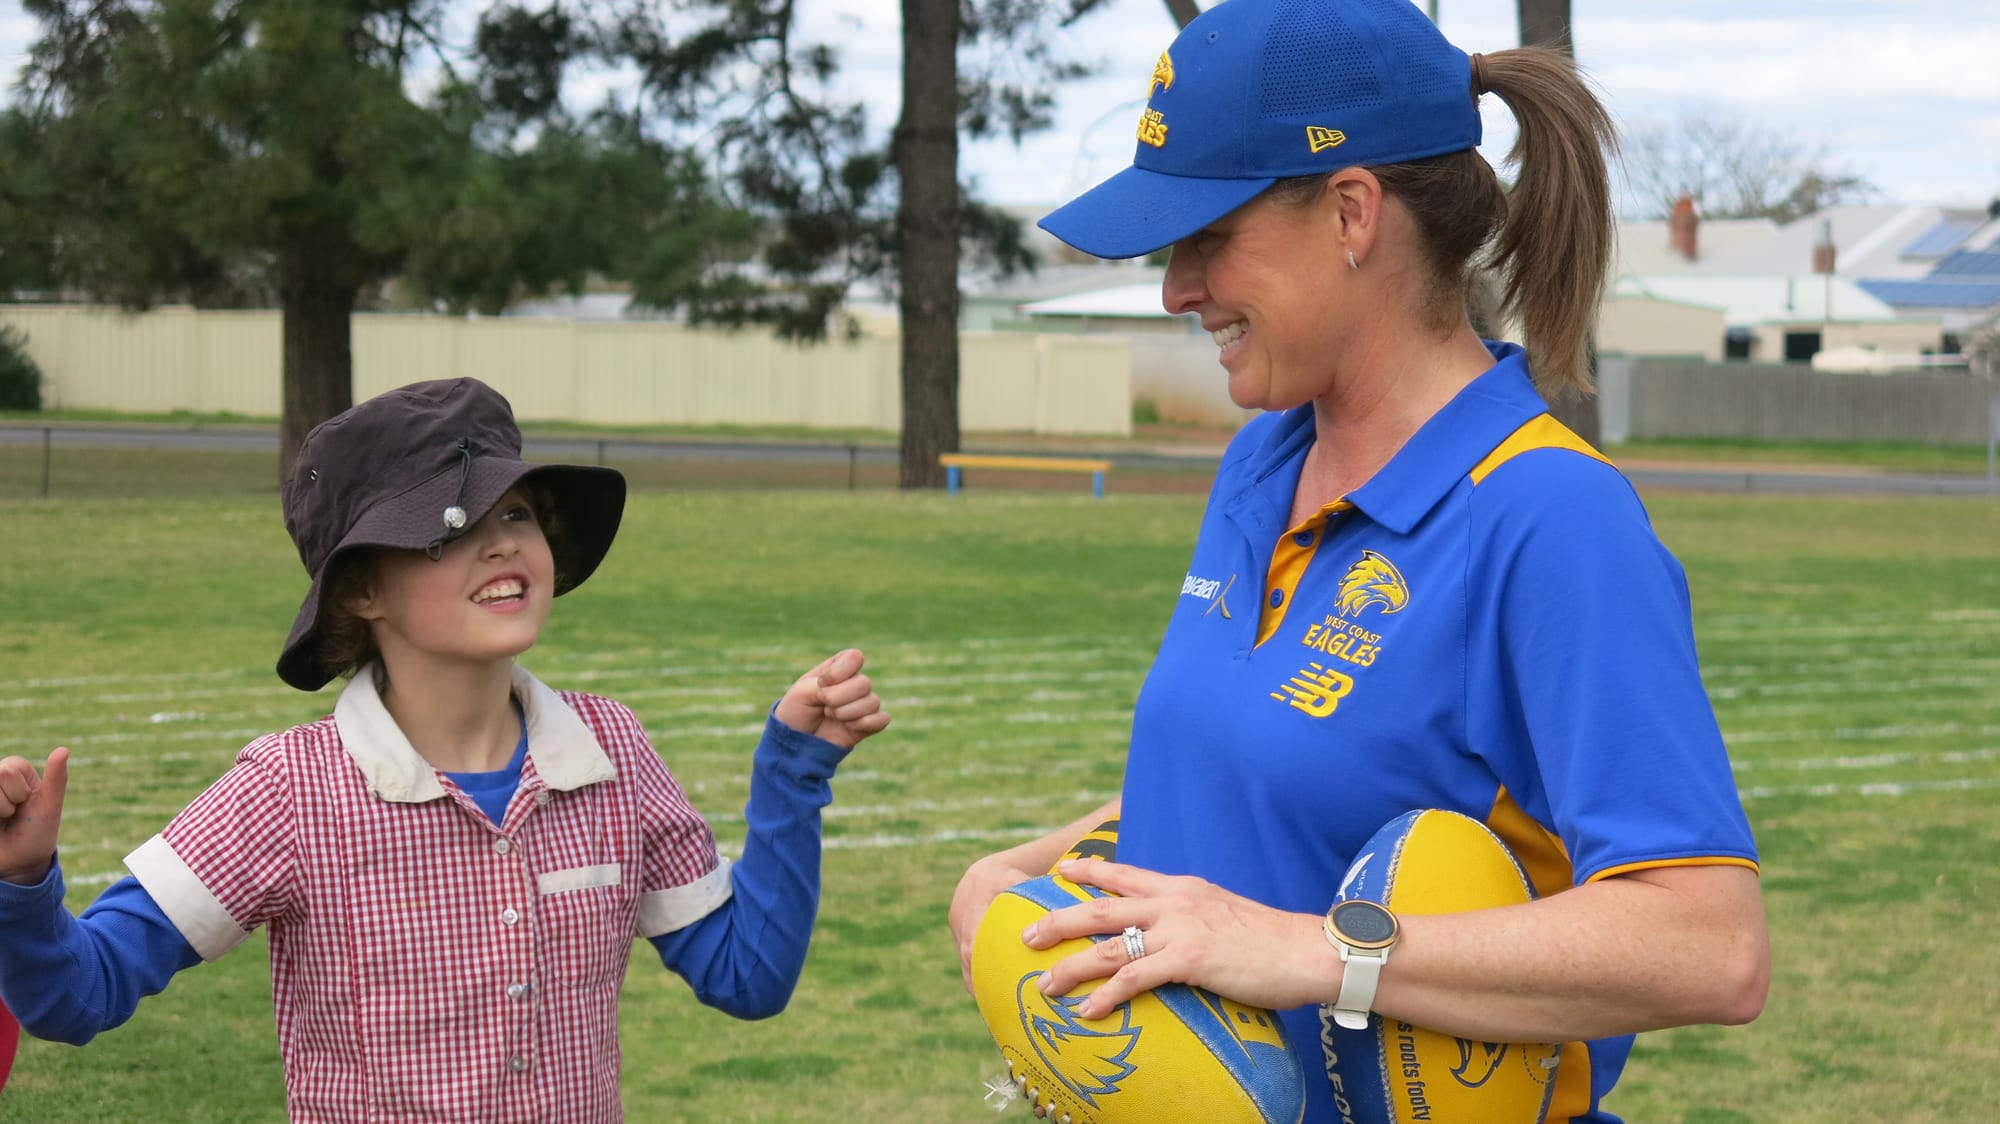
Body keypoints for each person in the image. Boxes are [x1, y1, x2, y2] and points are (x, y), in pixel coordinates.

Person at [947, 2, 1768, 1121]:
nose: (1174, 289)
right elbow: (1262, 773)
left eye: (1207, 236)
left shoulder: (1548, 515)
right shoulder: (1260, 459)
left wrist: (1311, 949)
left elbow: (1708, 943)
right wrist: (1021, 876)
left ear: (1349, 211)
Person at [0, 377, 889, 1122]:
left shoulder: (612, 749)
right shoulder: (288, 791)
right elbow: (78, 996)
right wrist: (20, 884)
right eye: (451, 524)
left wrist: (792, 770)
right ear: (360, 593)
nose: (501, 538)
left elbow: (749, 976)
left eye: (517, 511)